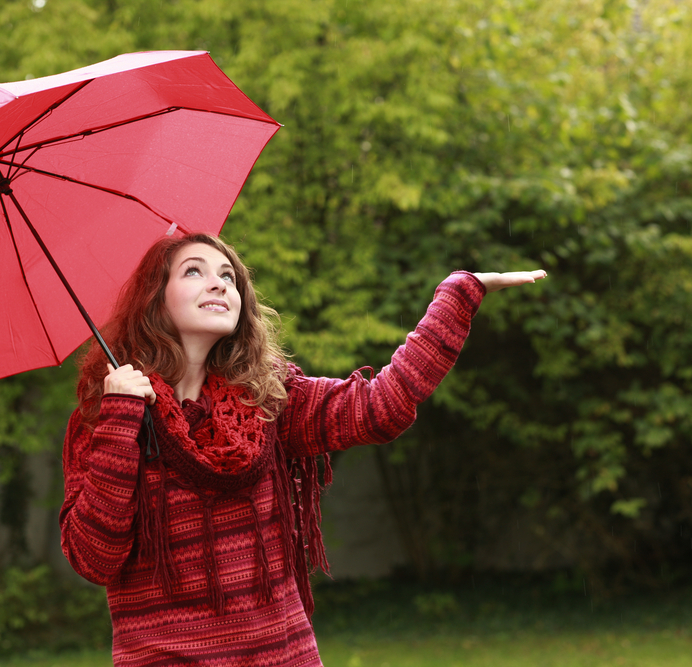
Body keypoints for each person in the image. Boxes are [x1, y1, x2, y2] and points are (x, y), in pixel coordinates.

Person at [59, 233, 546, 666]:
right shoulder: (106, 418)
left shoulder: (270, 400)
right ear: (154, 300)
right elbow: (94, 557)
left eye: (228, 275)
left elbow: (381, 407)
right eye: (194, 272)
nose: (220, 284)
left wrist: (458, 295)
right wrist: (122, 415)